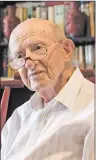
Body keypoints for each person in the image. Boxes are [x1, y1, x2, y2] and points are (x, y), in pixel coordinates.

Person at [1, 18, 94, 160]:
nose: (29, 64)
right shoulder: (18, 117)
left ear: (67, 49)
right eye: (20, 56)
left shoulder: (91, 110)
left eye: (38, 48)